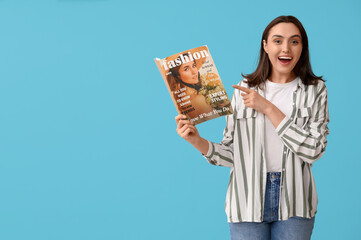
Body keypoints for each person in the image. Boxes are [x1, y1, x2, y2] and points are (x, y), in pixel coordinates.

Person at [175, 15, 329, 240]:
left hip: (295, 201)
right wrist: (196, 140)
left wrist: (268, 108)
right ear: (265, 46)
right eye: (277, 41)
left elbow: (313, 150)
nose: (286, 48)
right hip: (246, 200)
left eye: (294, 41)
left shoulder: (315, 90)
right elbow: (232, 154)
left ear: (302, 47)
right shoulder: (243, 90)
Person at [167, 53, 214, 120]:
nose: (194, 71)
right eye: (186, 69)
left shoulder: (182, 100)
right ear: (178, 76)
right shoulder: (198, 99)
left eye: (194, 65)